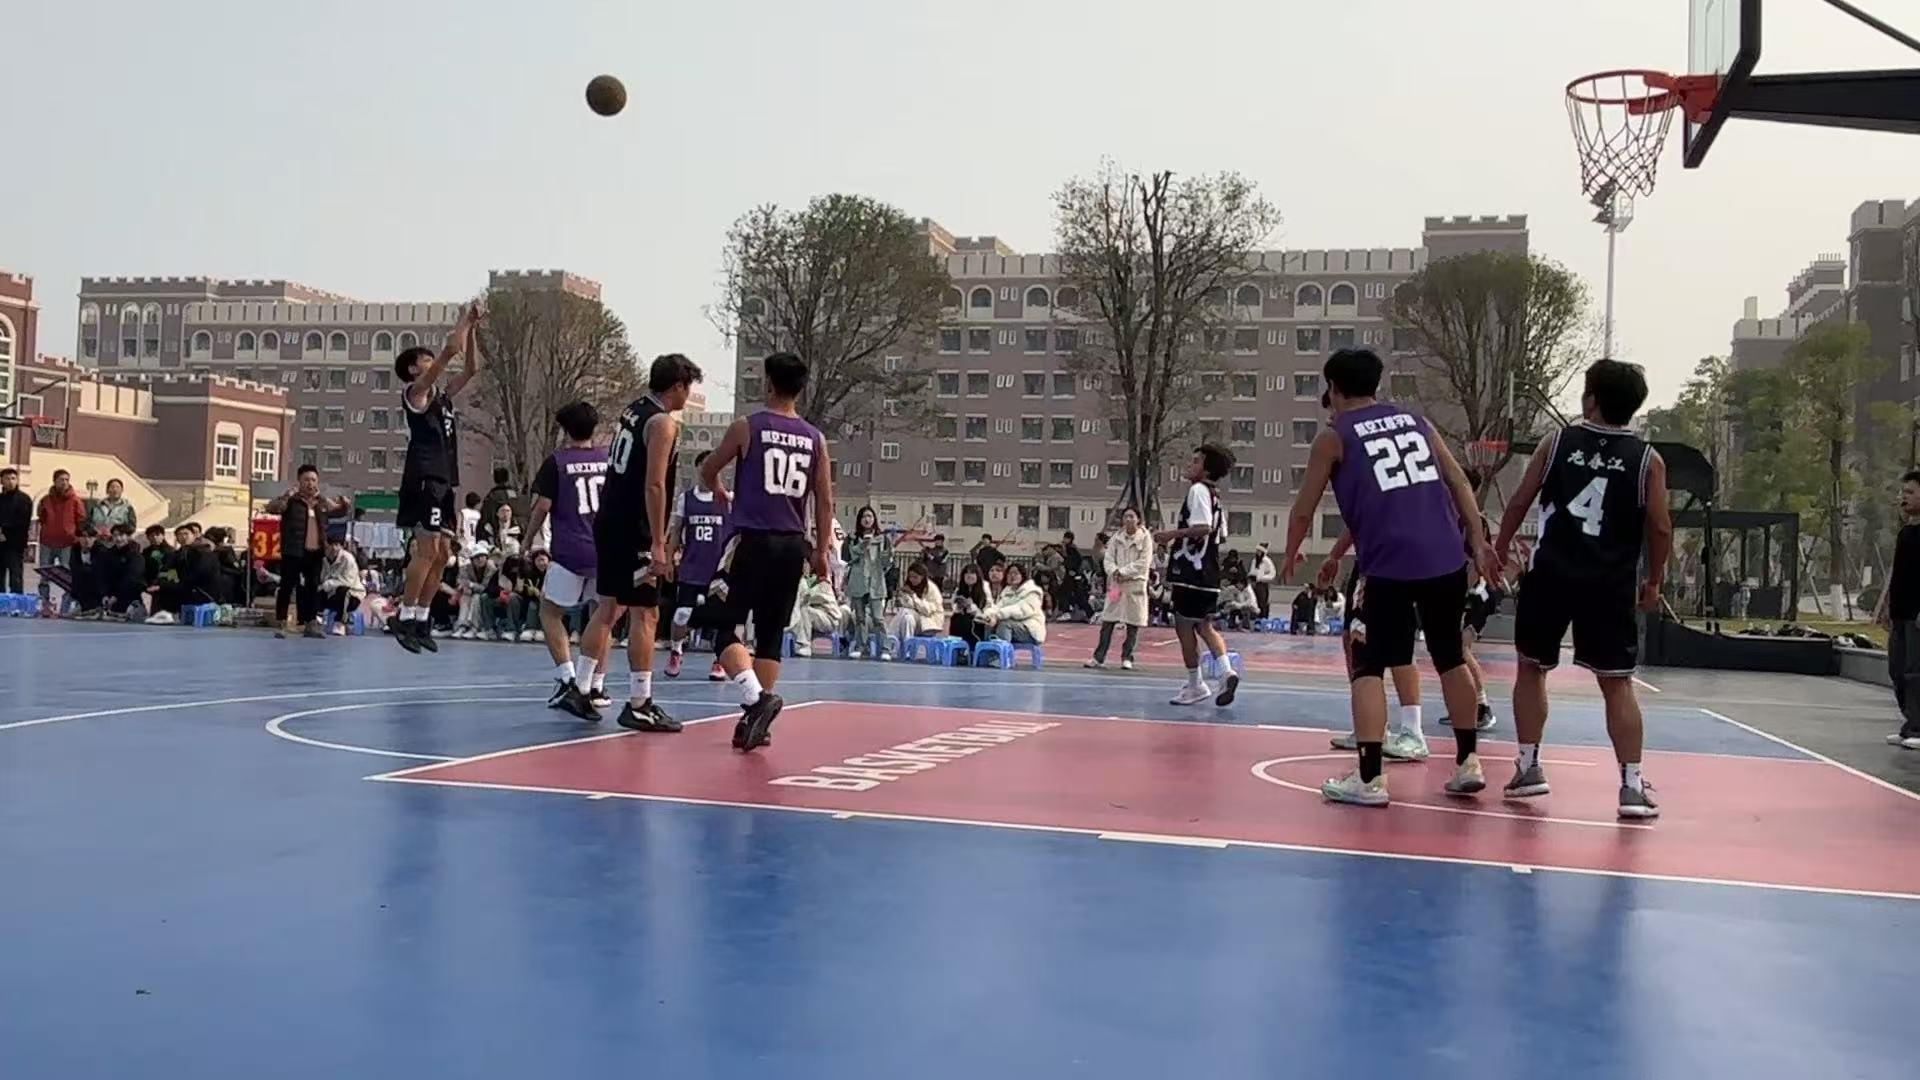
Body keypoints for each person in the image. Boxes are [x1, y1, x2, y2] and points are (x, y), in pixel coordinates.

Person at [1285, 348, 1496, 807]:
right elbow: (1459, 482)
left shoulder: (1333, 437)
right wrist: (1478, 542)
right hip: (1445, 558)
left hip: (1387, 565)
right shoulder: (1417, 422)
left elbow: (1304, 508)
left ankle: (1370, 778)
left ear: (1333, 388)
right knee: (1450, 657)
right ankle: (1468, 762)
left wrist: (1292, 550)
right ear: (1376, 385)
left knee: (1368, 665)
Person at [1494, 358, 1670, 819]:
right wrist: (1654, 579)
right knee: (1617, 683)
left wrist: (1499, 547)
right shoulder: (1648, 460)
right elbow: (1660, 526)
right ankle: (1631, 785)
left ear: (1591, 399)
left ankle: (1529, 767)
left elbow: (1520, 499)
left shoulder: (1556, 443)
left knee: (1532, 667)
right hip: (1609, 583)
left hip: (1551, 574)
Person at [700, 351, 834, 752]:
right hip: (792, 544)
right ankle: (757, 721)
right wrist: (821, 551)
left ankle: (756, 700)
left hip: (752, 538)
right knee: (771, 633)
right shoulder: (815, 439)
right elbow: (825, 500)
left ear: (768, 384)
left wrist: (719, 489)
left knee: (721, 625)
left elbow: (708, 468)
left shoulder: (748, 427)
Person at [579, 353, 704, 733]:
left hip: (609, 519)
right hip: (634, 528)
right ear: (678, 386)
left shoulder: (633, 410)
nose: (688, 396)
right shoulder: (663, 422)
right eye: (688, 388)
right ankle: (640, 702)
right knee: (645, 613)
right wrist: (659, 542)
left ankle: (579, 687)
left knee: (608, 608)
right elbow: (655, 484)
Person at [391, 301, 482, 654]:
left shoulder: (442, 398)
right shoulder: (416, 394)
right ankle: (404, 615)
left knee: (444, 554)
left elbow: (472, 368)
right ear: (414, 368)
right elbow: (450, 350)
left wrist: (473, 330)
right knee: (427, 550)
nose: (434, 363)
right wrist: (464, 320)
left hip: (445, 480)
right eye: (426, 360)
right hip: (424, 477)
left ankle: (422, 617)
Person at [523, 401, 613, 718]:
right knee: (602, 617)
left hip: (571, 549)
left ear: (564, 429)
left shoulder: (558, 462)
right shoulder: (607, 459)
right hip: (606, 549)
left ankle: (567, 677)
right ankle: (597, 685)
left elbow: (542, 506)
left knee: (549, 611)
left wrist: (528, 539)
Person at [1155, 445, 1241, 707]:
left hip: (1191, 572)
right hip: (1210, 573)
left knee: (1183, 626)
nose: (1189, 465)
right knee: (1204, 625)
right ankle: (1226, 671)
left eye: (1195, 462)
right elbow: (1221, 535)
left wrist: (1171, 535)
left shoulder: (1198, 491)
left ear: (1206, 469)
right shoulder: (1215, 497)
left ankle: (1196, 685)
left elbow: (1203, 528)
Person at [664, 450, 730, 682]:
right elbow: (676, 532)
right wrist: (669, 559)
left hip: (719, 570)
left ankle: (720, 659)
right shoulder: (686, 499)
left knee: (722, 618)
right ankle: (676, 651)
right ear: (699, 470)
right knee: (682, 614)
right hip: (692, 568)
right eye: (705, 467)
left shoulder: (727, 500)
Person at [267, 464, 350, 639]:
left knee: (313, 587)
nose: (310, 484)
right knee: (287, 586)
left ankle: (310, 623)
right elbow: (272, 507)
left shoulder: (322, 502)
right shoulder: (292, 500)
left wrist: (344, 506)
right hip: (293, 550)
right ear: (299, 481)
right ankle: (282, 622)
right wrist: (286, 496)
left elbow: (337, 512)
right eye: (306, 480)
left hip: (316, 551)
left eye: (313, 480)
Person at [1876, 469, 1920, 751]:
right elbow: (1899, 575)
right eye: (1903, 492)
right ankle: (1909, 724)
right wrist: (1887, 608)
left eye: (1911, 492)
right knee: (1898, 670)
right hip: (1900, 613)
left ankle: (1918, 727)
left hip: (1917, 614)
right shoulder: (1906, 532)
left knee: (1916, 672)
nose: (1903, 497)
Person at [1087, 507, 1151, 670]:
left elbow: (1144, 562)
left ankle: (1127, 657)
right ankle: (1098, 657)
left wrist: (1123, 572)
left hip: (1135, 584)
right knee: (1108, 619)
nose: (1128, 519)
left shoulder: (1145, 538)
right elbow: (1108, 559)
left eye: (1132, 516)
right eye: (1125, 516)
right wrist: (1114, 571)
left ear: (1138, 519)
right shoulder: (1116, 538)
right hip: (1116, 584)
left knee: (1133, 622)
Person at [33, 469, 87, 615]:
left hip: (67, 543)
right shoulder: (45, 500)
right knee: (44, 575)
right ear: (54, 481)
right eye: (61, 479)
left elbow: (81, 521)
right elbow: (41, 517)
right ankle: (45, 603)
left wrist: (77, 538)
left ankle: (65, 606)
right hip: (47, 542)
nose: (64, 482)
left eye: (67, 480)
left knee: (67, 576)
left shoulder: (75, 501)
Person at [844, 506, 894, 659]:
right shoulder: (852, 538)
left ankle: (885, 648)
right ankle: (861, 646)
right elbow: (847, 558)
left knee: (878, 618)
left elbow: (886, 564)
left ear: (874, 519)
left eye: (870, 516)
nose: (867, 519)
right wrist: (861, 546)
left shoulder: (882, 539)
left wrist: (888, 554)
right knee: (859, 617)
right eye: (864, 516)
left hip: (875, 581)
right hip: (858, 580)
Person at [981, 562, 1047, 648]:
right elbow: (997, 607)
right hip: (1013, 626)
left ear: (1022, 575)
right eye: (1010, 573)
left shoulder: (1032, 591)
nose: (1012, 576)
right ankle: (987, 652)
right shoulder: (1007, 591)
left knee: (1004, 624)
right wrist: (988, 616)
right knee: (989, 623)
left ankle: (1003, 653)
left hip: (1030, 629)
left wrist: (998, 615)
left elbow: (1022, 610)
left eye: (1016, 573)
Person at [785, 566, 847, 656]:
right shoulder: (808, 581)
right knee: (802, 611)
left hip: (829, 618)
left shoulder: (821, 582)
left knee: (805, 611)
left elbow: (808, 597)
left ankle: (804, 644)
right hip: (818, 615)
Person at [888, 561, 946, 645]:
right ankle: (907, 645)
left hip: (929, 622)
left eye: (915, 577)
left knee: (905, 612)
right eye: (910, 577)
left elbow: (927, 610)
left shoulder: (931, 588)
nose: (912, 580)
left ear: (922, 577)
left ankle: (890, 638)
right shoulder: (908, 586)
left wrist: (913, 596)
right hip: (913, 619)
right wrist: (902, 599)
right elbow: (909, 606)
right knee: (907, 618)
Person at [318, 536, 365, 635]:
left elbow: (348, 582)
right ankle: (317, 618)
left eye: (336, 545)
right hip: (331, 594)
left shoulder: (348, 559)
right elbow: (322, 579)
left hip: (353, 595)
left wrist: (329, 583)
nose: (333, 548)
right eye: (330, 545)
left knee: (343, 590)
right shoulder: (324, 559)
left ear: (341, 546)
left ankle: (340, 623)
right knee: (316, 589)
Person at [948, 563, 992, 658]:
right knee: (956, 619)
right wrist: (959, 606)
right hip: (962, 615)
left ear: (977, 576)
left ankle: (972, 651)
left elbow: (986, 611)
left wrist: (971, 606)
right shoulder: (959, 589)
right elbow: (954, 606)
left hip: (978, 620)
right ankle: (957, 650)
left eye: (972, 573)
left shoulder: (984, 589)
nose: (969, 576)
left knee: (967, 622)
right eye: (966, 573)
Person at [0, 467, 31, 594]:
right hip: (0, 544)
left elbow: (23, 522)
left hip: (16, 545)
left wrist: (5, 533)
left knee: (16, 577)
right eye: (7, 478)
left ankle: (17, 602)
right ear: (1, 481)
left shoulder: (24, 499)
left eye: (13, 478)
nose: (10, 481)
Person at [1251, 542, 1277, 619]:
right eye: (1257, 551)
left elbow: (1272, 574)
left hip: (1262, 584)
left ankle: (1263, 617)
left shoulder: (1267, 561)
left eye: (1259, 551)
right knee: (1253, 600)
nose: (1257, 553)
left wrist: (1261, 578)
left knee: (1262, 601)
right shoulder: (1254, 561)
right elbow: (1252, 570)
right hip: (1253, 583)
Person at [459, 492, 483, 556]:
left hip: (464, 540)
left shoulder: (463, 512)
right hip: (474, 541)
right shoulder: (478, 514)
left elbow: (459, 528)